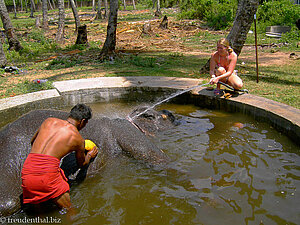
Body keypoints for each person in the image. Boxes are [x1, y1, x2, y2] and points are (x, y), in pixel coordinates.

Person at [21, 104, 98, 214]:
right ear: (83, 121)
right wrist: (90, 155)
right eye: (85, 123)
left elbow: (32, 141)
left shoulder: (48, 121)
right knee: (71, 211)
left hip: (27, 172)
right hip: (47, 176)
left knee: (39, 215)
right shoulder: (77, 138)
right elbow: (81, 164)